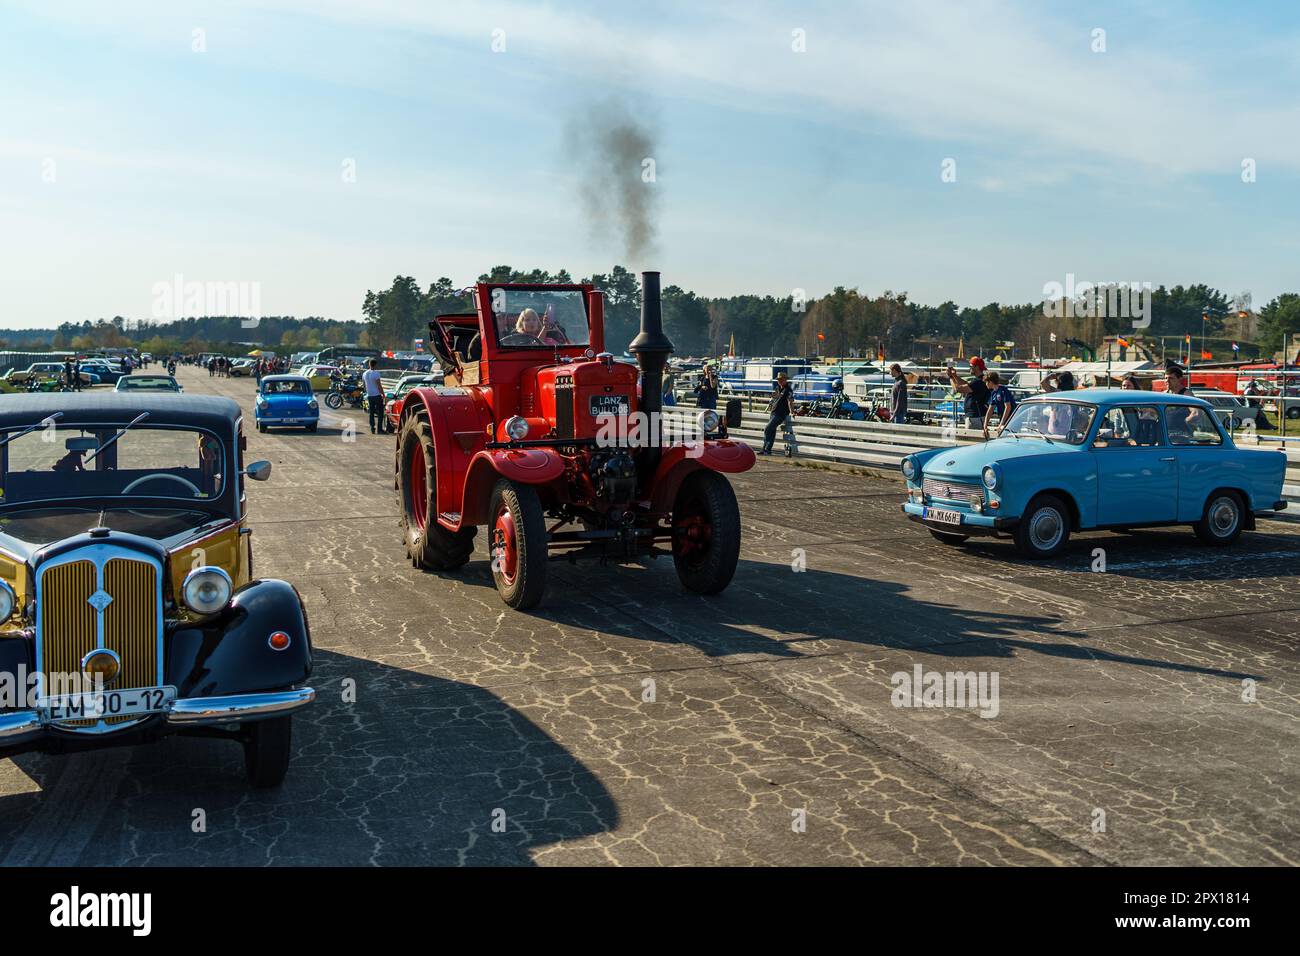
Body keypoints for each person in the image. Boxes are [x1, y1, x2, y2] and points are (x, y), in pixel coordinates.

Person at [946, 356, 989, 430]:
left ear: (977, 367)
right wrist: (954, 375)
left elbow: (958, 389)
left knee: (972, 437)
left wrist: (951, 377)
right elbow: (966, 384)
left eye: (970, 366)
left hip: (975, 417)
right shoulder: (980, 380)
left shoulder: (978, 382)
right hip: (978, 416)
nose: (969, 368)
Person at [760, 371, 796, 455]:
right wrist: (768, 408)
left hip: (780, 414)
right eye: (779, 380)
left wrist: (792, 412)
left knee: (767, 429)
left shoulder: (788, 389)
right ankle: (766, 450)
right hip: (773, 412)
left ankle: (766, 449)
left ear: (785, 380)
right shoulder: (777, 388)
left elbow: (790, 401)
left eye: (781, 379)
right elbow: (773, 399)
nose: (779, 381)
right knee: (771, 431)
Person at [983, 371, 1015, 438]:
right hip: (1002, 417)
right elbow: (990, 409)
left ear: (991, 382)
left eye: (986, 382)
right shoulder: (993, 393)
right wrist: (985, 426)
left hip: (1011, 419)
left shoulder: (1003, 390)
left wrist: (1001, 424)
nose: (986, 384)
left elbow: (1008, 407)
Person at [362, 359, 387, 434]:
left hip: (370, 395)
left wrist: (367, 392)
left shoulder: (364, 373)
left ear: (369, 364)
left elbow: (364, 385)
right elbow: (379, 385)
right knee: (380, 412)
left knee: (371, 412)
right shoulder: (376, 373)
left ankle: (372, 428)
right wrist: (383, 394)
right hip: (376, 394)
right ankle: (379, 429)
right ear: (375, 365)